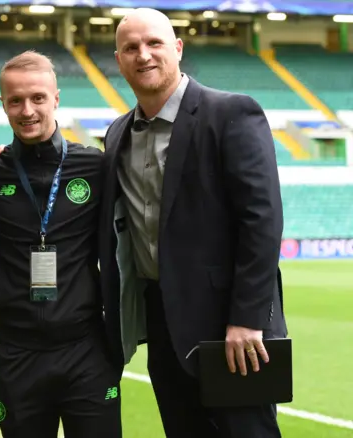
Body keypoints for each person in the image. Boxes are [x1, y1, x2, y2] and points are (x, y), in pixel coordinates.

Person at [99, 8, 288, 438]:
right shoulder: (117, 134)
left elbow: (261, 220)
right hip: (163, 327)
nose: (143, 55)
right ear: (119, 59)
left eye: (154, 44)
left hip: (233, 330)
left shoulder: (231, 113)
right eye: (131, 48)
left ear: (178, 49)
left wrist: (247, 318)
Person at [0, 51, 122, 438]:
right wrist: (2, 273)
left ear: (56, 98)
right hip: (15, 356)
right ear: (3, 104)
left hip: (86, 351)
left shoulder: (96, 167)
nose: (27, 110)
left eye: (37, 98)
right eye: (15, 100)